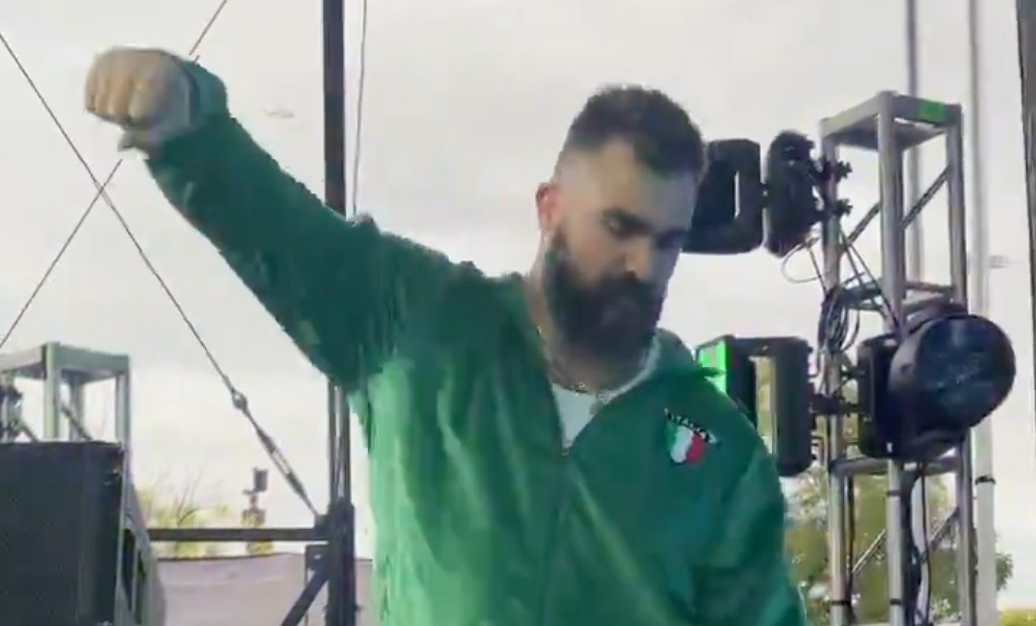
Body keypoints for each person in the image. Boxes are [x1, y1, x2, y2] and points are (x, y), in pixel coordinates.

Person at [84, 47, 809, 626]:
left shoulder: (720, 452)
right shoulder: (414, 322)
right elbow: (283, 233)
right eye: (619, 229)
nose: (644, 266)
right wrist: (191, 131)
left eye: (668, 241)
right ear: (549, 209)